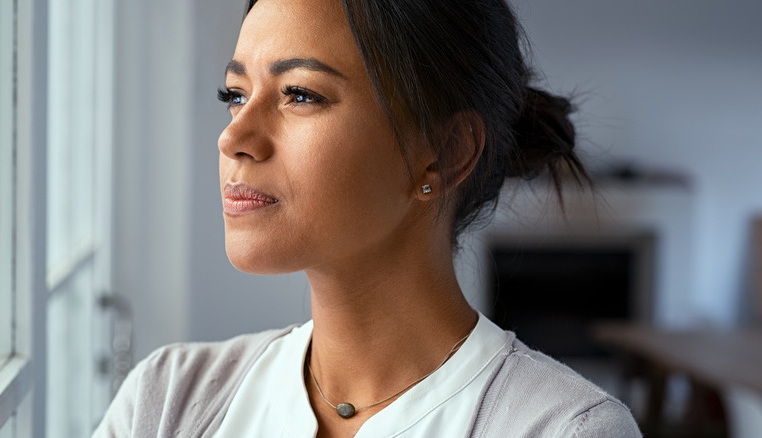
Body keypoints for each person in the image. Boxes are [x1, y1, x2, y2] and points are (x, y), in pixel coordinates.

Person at [94, 0, 642, 436]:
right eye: (235, 94)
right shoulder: (167, 401)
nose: (233, 136)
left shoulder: (562, 429)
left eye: (300, 94)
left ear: (445, 152)